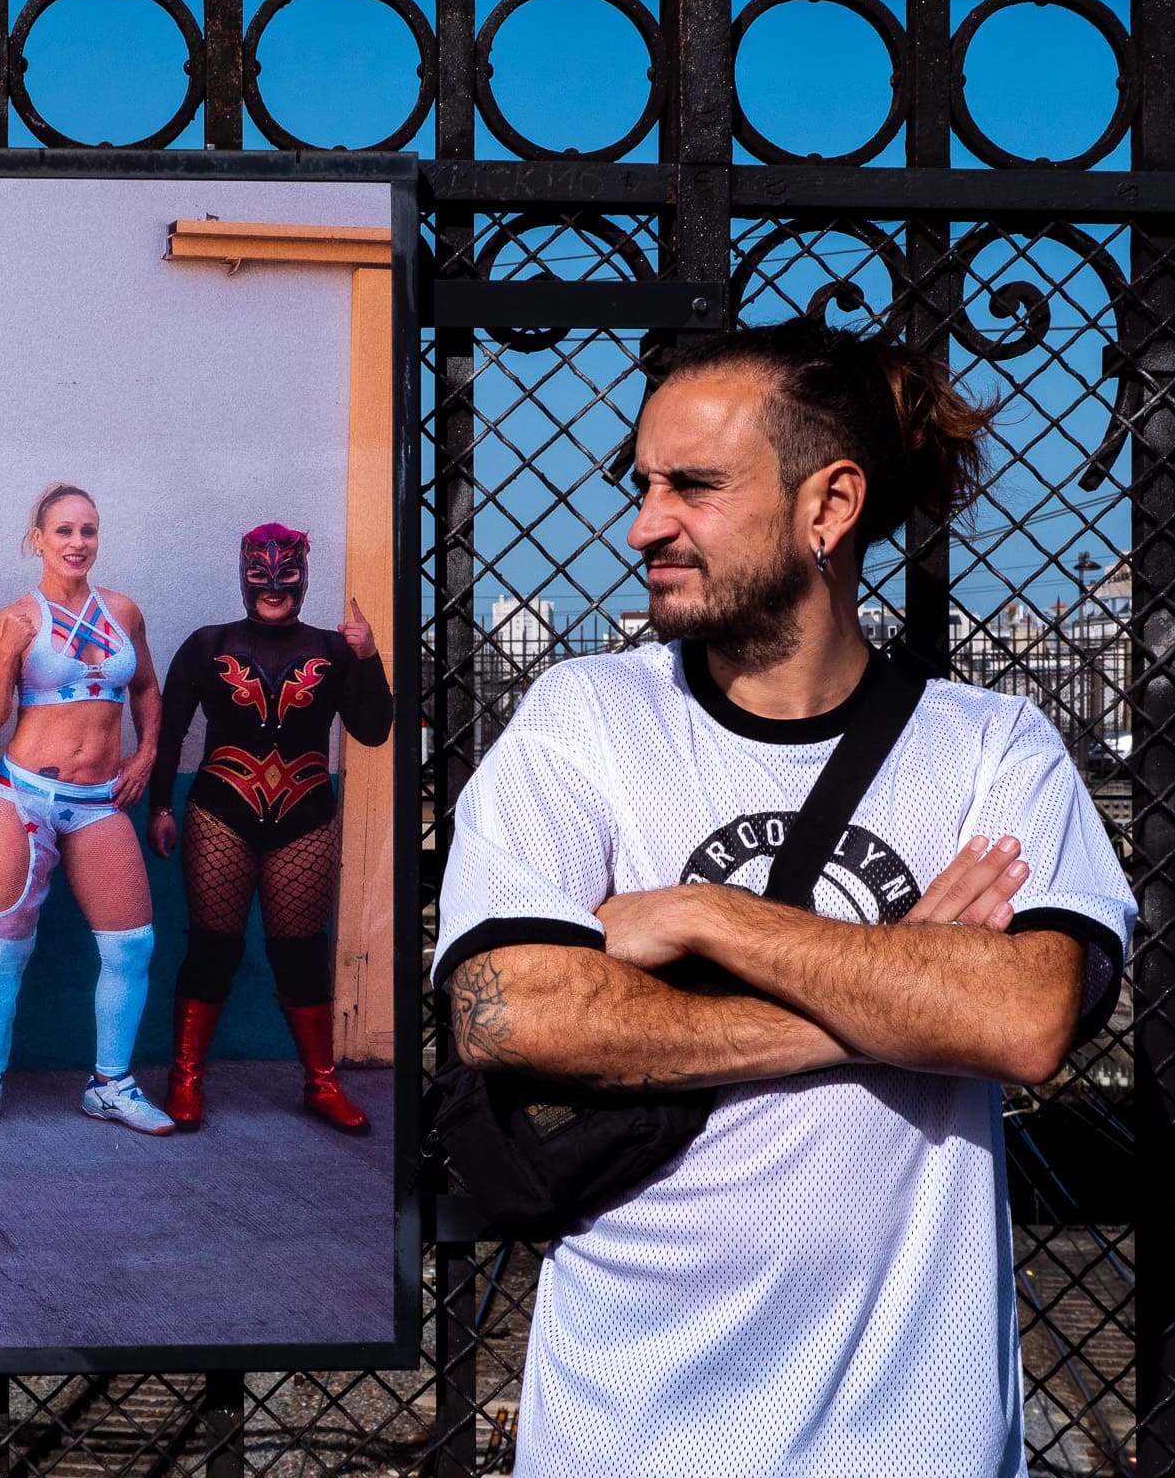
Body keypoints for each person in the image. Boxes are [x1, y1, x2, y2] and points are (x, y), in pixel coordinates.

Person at [432, 317, 1135, 1477]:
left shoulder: (988, 748)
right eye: (642, 483)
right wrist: (901, 994)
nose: (643, 523)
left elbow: (1022, 1018)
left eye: (692, 486)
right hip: (625, 1437)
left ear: (829, 505)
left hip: (912, 1441)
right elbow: (509, 1013)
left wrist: (704, 916)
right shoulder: (584, 719)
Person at [147, 523, 392, 1133]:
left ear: (305, 576)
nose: (274, 586)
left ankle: (322, 1083)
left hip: (305, 817)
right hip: (220, 813)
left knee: (300, 952)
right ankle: (185, 1079)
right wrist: (159, 807)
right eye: (260, 573)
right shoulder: (208, 643)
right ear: (243, 573)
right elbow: (170, 732)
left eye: (287, 573)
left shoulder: (336, 649)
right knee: (213, 947)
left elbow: (373, 731)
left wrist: (368, 656)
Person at [0, 482, 172, 1135]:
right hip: (26, 797)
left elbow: (146, 687)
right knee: (2, 943)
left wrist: (146, 755)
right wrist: (5, 652)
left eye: (87, 530)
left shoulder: (123, 611)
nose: (77, 542)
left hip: (100, 800)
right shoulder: (17, 617)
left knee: (131, 945)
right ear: (37, 540)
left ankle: (110, 1085)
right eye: (64, 531)